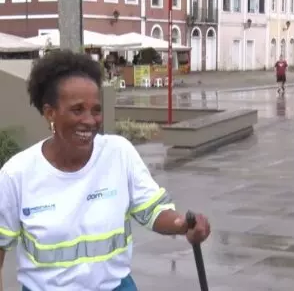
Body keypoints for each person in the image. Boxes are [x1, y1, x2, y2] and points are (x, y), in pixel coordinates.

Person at [0, 50, 210, 291]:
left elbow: (152, 210)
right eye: (77, 110)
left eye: (96, 110)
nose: (90, 120)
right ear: (50, 113)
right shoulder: (17, 175)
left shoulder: (118, 153)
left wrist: (183, 224)